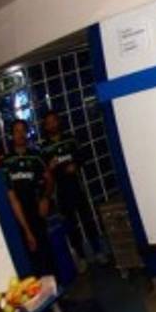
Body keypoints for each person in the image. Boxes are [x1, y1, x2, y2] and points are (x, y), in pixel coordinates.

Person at [41, 110, 103, 267]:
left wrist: (76, 164)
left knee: (88, 219)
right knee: (70, 225)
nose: (52, 124)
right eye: (49, 123)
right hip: (60, 191)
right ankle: (81, 258)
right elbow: (43, 173)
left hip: (77, 185)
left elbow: (82, 156)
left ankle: (98, 251)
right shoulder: (44, 148)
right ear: (45, 126)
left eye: (54, 120)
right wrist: (50, 168)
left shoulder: (70, 139)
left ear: (58, 121)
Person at [2, 119, 54, 276]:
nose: (20, 134)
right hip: (18, 214)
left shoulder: (36, 156)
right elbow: (12, 197)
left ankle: (55, 286)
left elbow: (49, 179)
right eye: (17, 131)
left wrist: (45, 199)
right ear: (12, 135)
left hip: (37, 209)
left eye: (23, 130)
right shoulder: (6, 162)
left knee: (46, 250)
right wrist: (26, 230)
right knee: (30, 254)